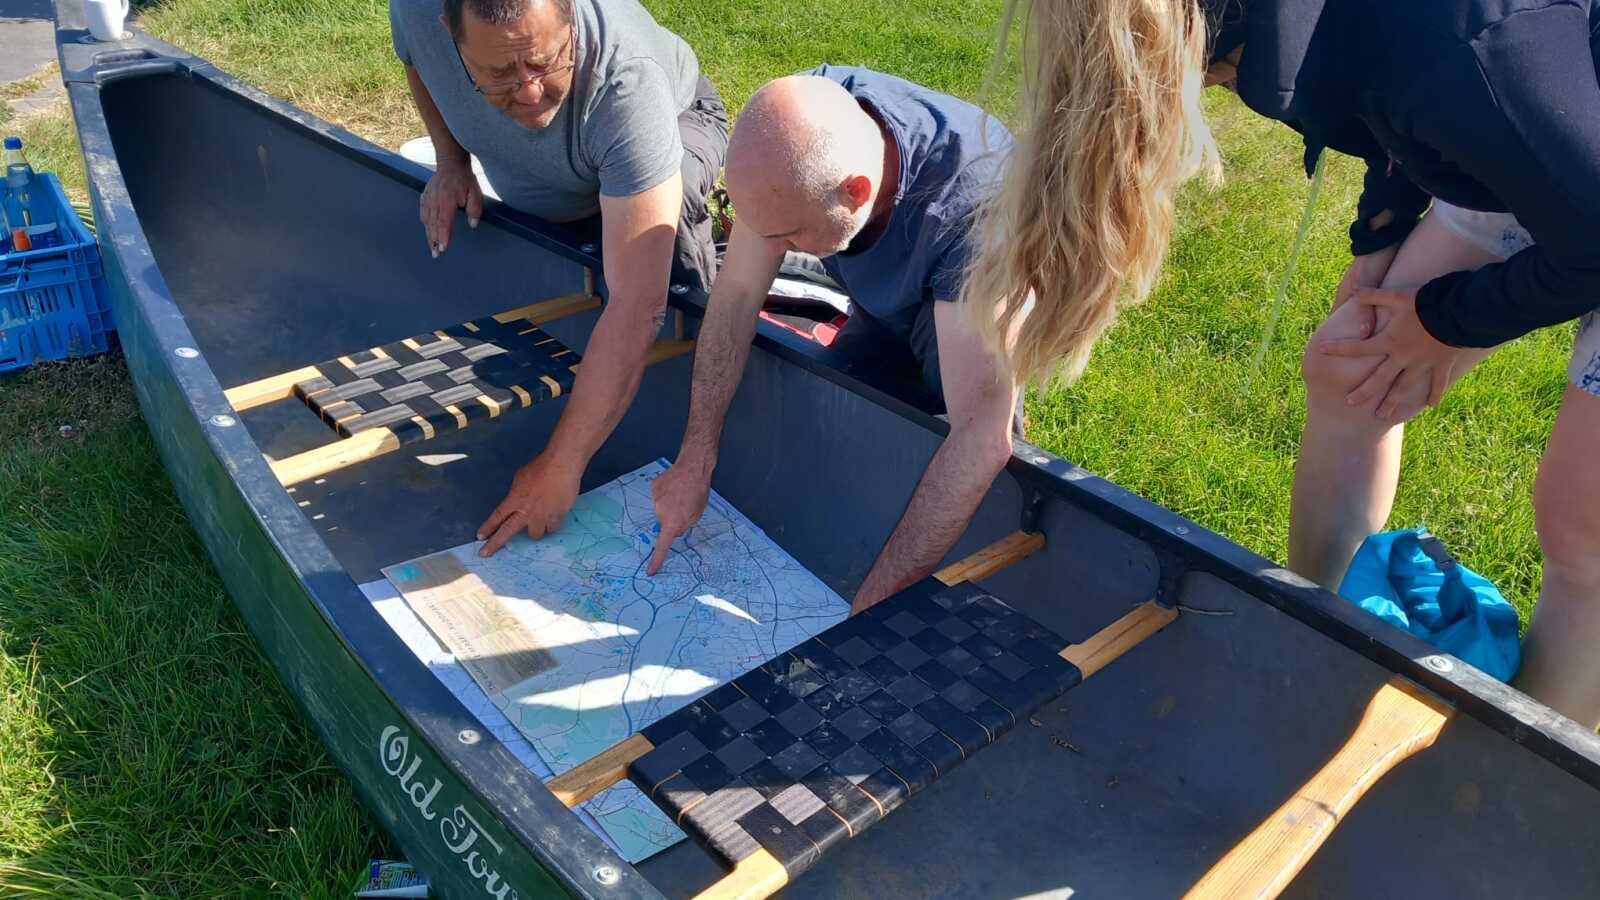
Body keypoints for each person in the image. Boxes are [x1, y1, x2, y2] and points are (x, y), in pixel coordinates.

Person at [965, 0, 1600, 727]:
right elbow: (1393, 102)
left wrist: (1439, 323)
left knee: (1583, 524)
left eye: (1216, 77)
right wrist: (1381, 234)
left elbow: (1577, 220)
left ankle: (1516, 764)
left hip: (1584, 191)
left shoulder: (1470, 47)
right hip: (1550, 145)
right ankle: (1319, 638)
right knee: (1351, 366)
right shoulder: (1325, 30)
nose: (1215, 89)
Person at [647, 68, 1018, 614]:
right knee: (848, 411)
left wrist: (866, 616)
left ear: (855, 192)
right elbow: (736, 298)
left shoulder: (976, 214)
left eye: (786, 236)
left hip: (969, 292)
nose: (772, 251)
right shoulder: (795, 132)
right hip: (880, 288)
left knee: (968, 448)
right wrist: (694, 459)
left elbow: (981, 436)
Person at [388, 0, 728, 555]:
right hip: (560, 173)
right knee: (578, 244)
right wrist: (451, 161)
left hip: (672, 127)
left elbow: (638, 306)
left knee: (665, 285)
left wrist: (561, 465)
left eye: (545, 62)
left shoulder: (626, 81)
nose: (528, 92)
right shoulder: (417, 10)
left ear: (569, 14)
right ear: (447, 30)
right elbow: (416, 60)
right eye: (499, 72)